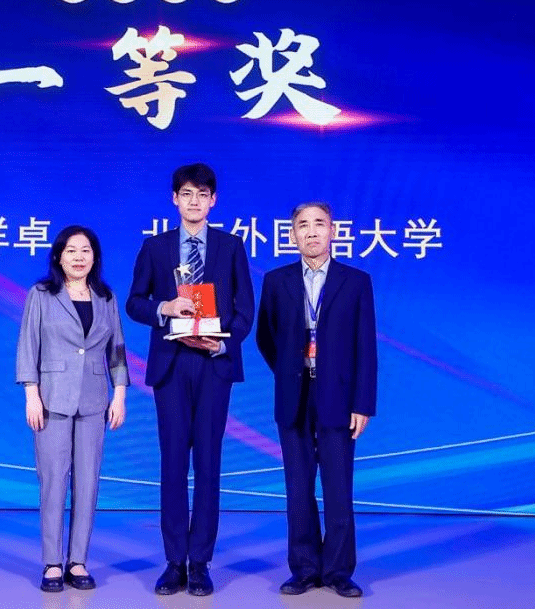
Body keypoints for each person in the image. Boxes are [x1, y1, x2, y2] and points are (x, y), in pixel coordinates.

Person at [126, 163, 254, 596]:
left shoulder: (231, 246)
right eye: (186, 193)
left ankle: (200, 562)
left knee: (209, 464)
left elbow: (245, 310)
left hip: (213, 365)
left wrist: (221, 343)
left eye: (202, 194)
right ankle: (173, 561)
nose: (194, 201)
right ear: (174, 199)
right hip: (172, 363)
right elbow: (134, 302)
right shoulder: (156, 247)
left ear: (213, 200)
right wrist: (164, 308)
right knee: (173, 464)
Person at [256, 202, 377, 598]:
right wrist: (290, 371)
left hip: (338, 397)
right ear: (292, 234)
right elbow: (266, 337)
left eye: (319, 224)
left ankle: (339, 571)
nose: (311, 231)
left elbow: (365, 347)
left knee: (338, 487)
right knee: (298, 487)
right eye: (303, 225)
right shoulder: (276, 281)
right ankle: (305, 569)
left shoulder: (355, 282)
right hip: (293, 395)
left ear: (333, 231)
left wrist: (363, 403)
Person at [16, 225, 129, 593]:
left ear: (95, 257)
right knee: (53, 481)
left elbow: (117, 349)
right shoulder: (41, 294)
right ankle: (52, 562)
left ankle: (77, 561)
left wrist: (120, 394)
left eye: (86, 251)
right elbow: (28, 345)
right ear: (58, 256)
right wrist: (31, 394)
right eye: (71, 251)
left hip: (95, 400)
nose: (79, 257)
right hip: (52, 400)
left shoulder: (106, 297)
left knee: (88, 481)